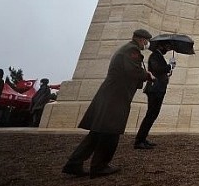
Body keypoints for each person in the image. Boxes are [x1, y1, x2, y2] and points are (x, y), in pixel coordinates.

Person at [62, 29, 154, 178]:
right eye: (146, 41)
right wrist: (147, 75)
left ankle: (74, 163)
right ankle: (99, 166)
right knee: (111, 132)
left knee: (98, 133)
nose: (146, 44)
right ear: (142, 39)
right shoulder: (132, 50)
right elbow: (132, 71)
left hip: (110, 95)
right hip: (116, 97)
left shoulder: (127, 49)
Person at [134, 41, 174, 149]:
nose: (168, 49)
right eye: (167, 46)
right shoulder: (155, 55)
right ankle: (139, 141)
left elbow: (161, 72)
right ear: (160, 46)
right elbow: (157, 69)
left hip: (159, 89)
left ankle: (143, 138)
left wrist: (169, 69)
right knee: (150, 115)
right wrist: (169, 66)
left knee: (153, 115)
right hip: (154, 89)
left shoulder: (159, 56)